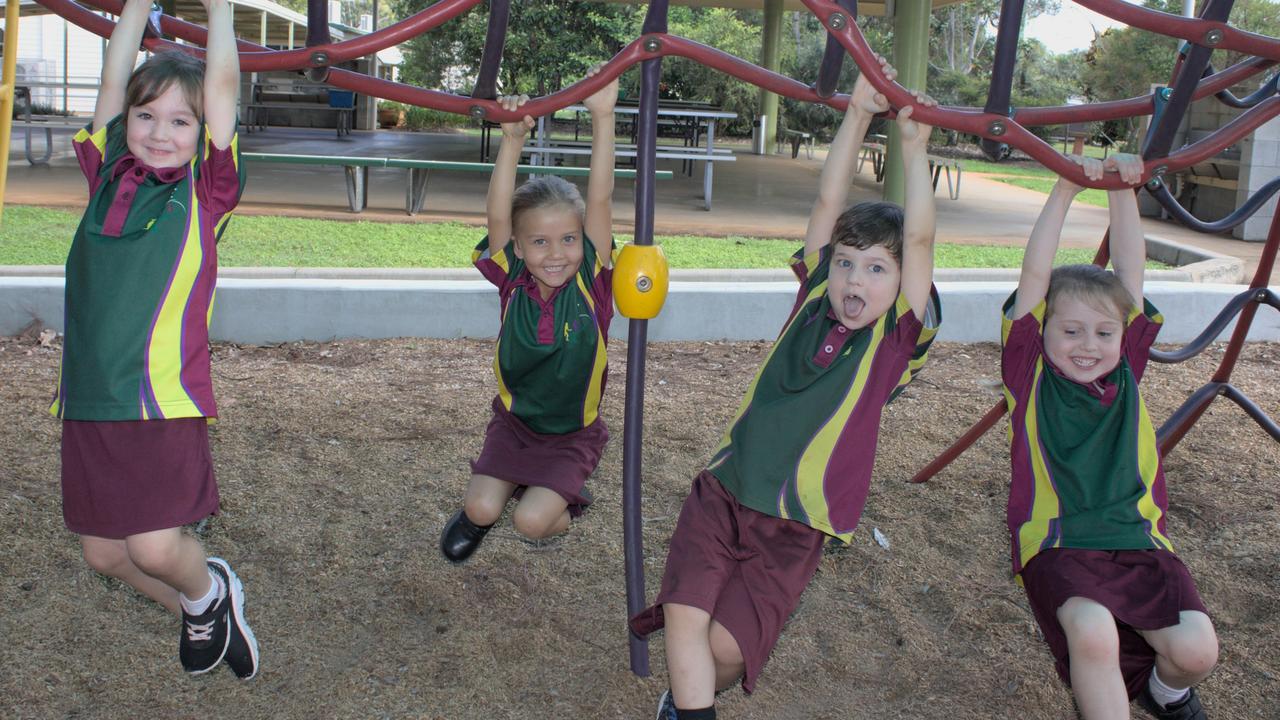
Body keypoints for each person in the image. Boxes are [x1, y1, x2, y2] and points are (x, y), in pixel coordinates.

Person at [630, 58, 941, 719]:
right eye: (848, 263)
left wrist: (914, 148)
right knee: (687, 610)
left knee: (727, 649)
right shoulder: (811, 301)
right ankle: (692, 710)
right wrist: (856, 113)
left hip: (797, 522)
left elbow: (919, 235)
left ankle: (685, 694)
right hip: (726, 485)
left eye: (877, 269)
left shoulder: (889, 341)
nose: (856, 279)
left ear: (902, 282)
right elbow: (827, 204)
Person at [53, 0, 257, 678]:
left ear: (202, 134)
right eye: (147, 116)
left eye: (180, 120)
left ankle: (206, 590)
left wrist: (222, 10)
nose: (158, 132)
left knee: (150, 545)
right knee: (105, 554)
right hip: (88, 401)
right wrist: (137, 7)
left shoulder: (203, 190)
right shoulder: (108, 170)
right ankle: (204, 607)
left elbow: (223, 88)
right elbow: (113, 81)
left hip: (159, 398)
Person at [1001, 154, 1218, 720]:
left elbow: (1130, 272)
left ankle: (1165, 694)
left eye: (1103, 332)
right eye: (1070, 330)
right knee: (1094, 631)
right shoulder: (1030, 375)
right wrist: (1065, 190)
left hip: (1137, 537)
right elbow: (1033, 278)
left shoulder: (1125, 373)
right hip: (1060, 542)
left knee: (1196, 651)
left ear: (1124, 337)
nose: (1087, 345)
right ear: (1042, 330)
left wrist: (1126, 189)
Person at [440, 68, 619, 563]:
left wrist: (603, 116)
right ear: (519, 247)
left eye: (568, 239)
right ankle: (490, 507)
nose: (556, 253)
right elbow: (498, 215)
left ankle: (553, 500)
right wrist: (512, 140)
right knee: (479, 510)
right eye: (539, 242)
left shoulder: (590, 283)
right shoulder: (512, 278)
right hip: (515, 425)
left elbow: (599, 198)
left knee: (532, 523)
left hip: (570, 435)